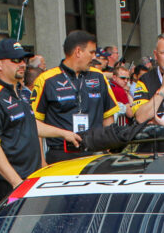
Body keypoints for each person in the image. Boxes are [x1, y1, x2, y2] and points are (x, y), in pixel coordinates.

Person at [0, 38, 46, 215]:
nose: (22, 64)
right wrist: (16, 182)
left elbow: (31, 126)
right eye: (15, 60)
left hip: (27, 180)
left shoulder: (20, 92)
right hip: (5, 184)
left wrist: (66, 134)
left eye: (24, 60)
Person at [32, 30, 120, 163]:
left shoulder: (99, 77)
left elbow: (108, 117)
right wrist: (41, 161)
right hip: (61, 155)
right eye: (91, 52)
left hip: (95, 154)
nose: (94, 57)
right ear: (78, 52)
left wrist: (109, 152)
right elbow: (35, 123)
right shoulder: (46, 80)